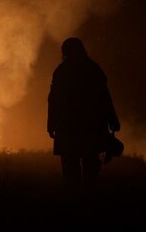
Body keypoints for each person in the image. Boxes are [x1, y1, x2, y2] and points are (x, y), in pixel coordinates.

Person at [47, 37, 121, 191]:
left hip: (68, 128)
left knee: (70, 168)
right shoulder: (93, 69)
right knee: (90, 166)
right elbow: (104, 98)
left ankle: (74, 202)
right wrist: (112, 120)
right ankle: (88, 200)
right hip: (91, 126)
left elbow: (54, 101)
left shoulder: (61, 71)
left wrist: (51, 124)